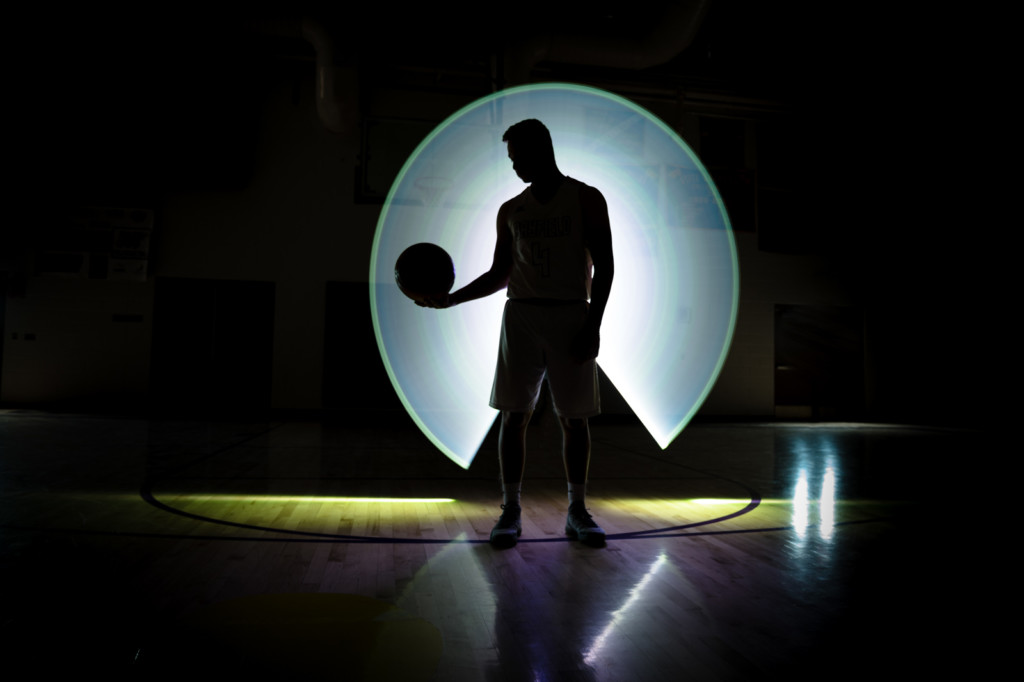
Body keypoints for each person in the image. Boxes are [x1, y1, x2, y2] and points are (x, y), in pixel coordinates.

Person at [420, 119, 614, 548]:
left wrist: (594, 324)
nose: (514, 167)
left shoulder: (585, 198)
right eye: (510, 160)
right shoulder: (511, 210)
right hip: (522, 316)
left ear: (541, 148)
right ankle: (510, 510)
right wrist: (450, 300)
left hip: (570, 315)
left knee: (574, 419)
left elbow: (606, 265)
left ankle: (577, 511)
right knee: (513, 416)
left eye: (518, 157)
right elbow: (499, 274)